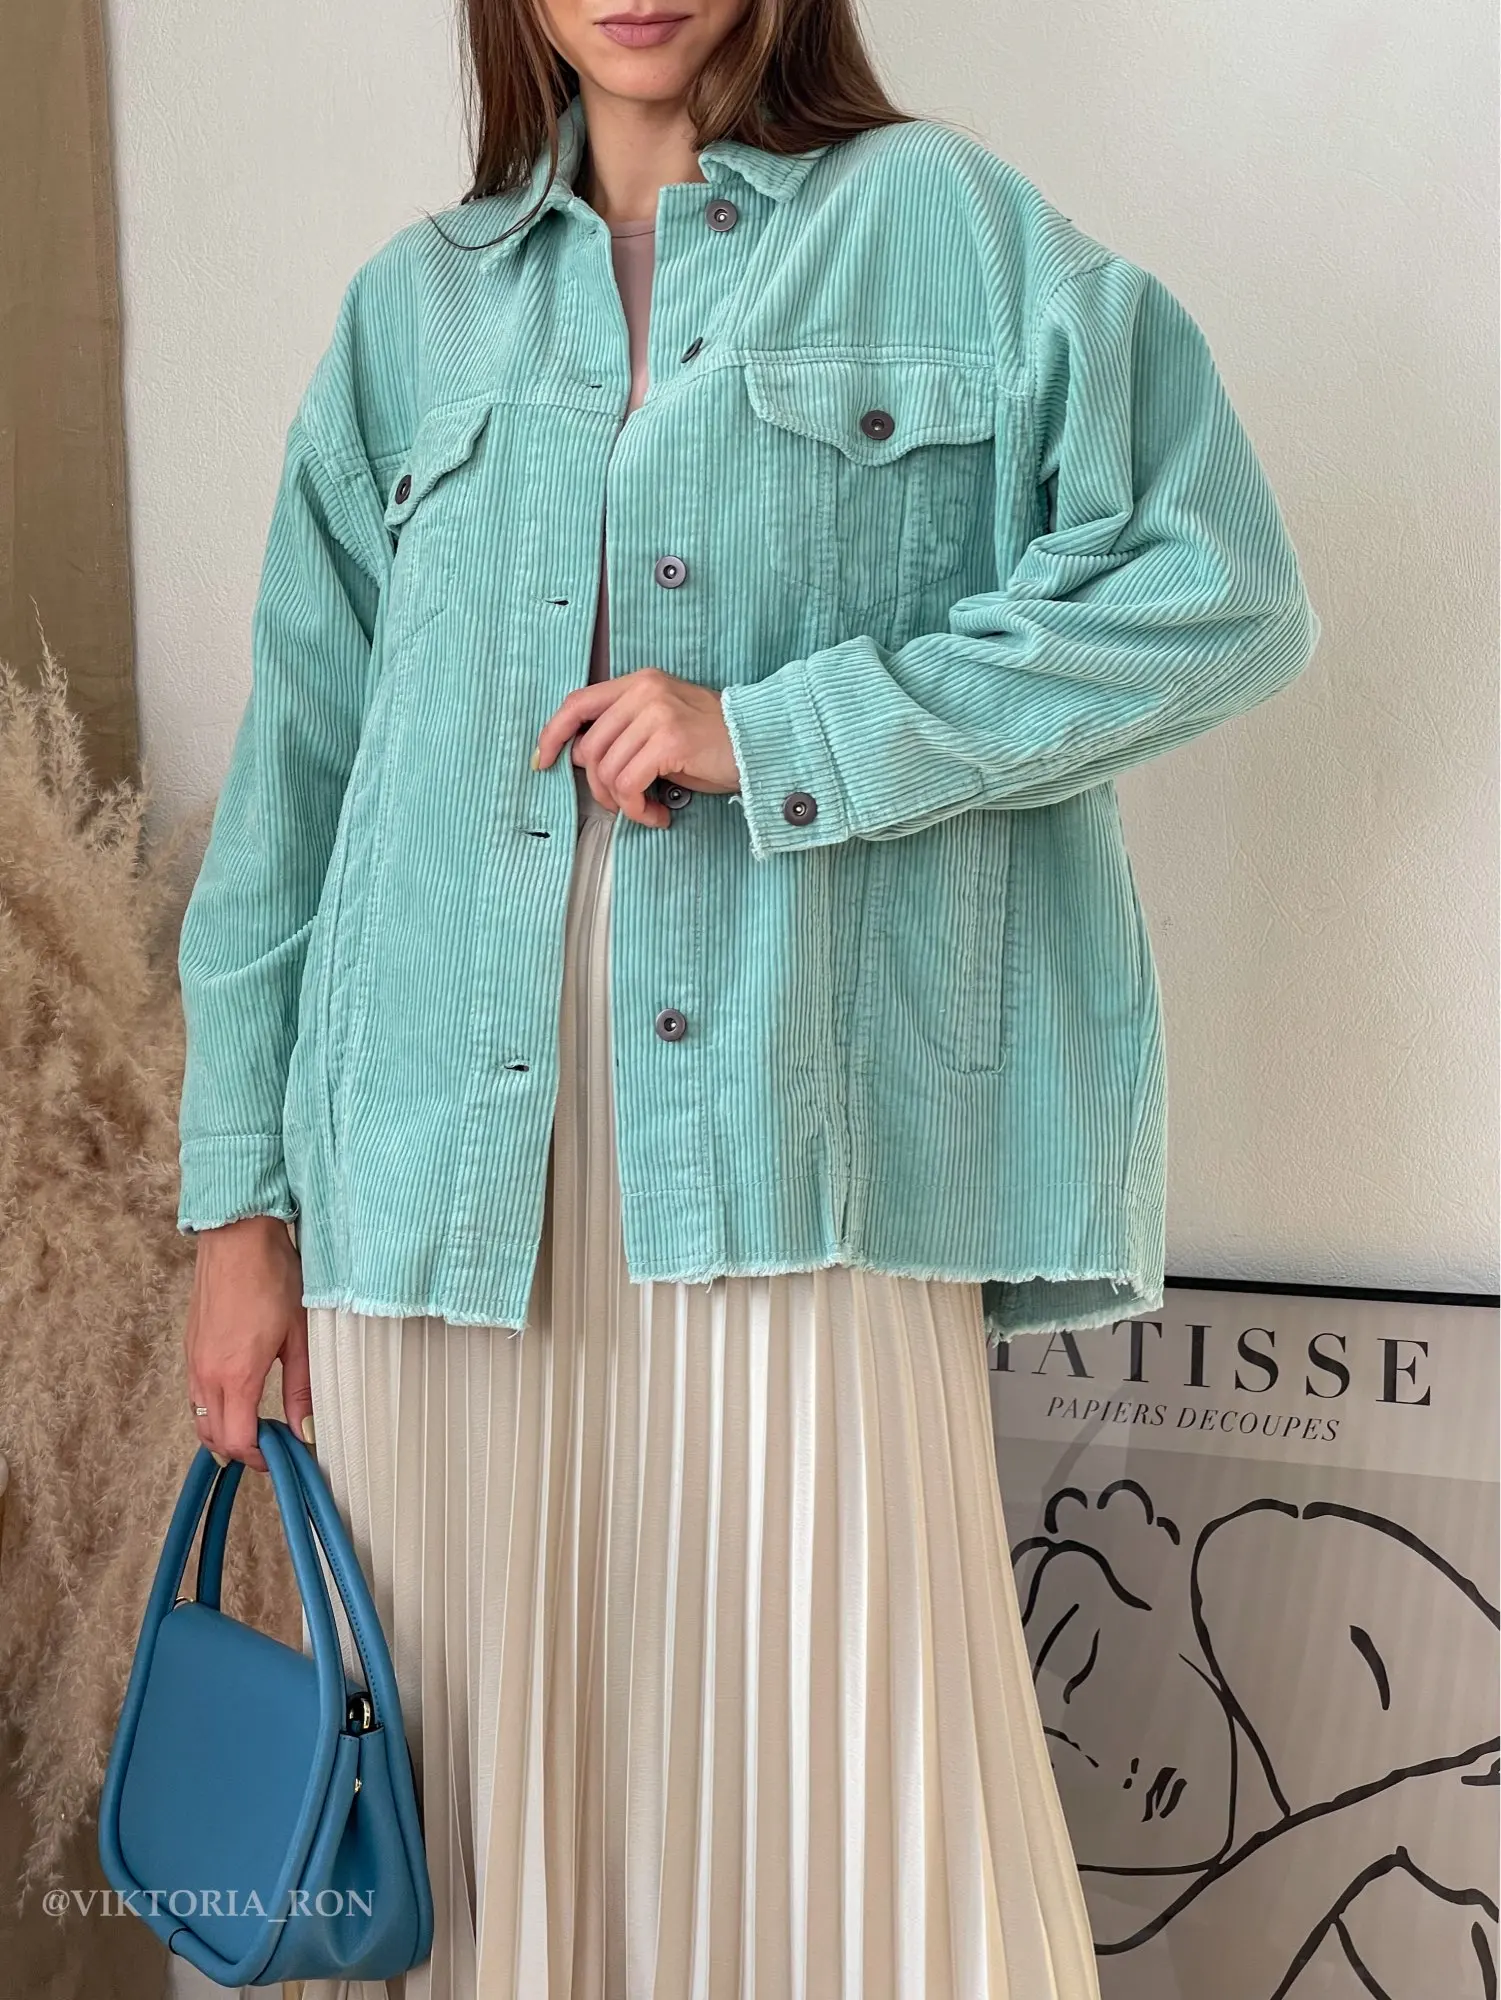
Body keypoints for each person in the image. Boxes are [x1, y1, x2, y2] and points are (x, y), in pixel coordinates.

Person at [174, 0, 1321, 1993]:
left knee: (850, 1772)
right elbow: (298, 778)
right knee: (476, 1780)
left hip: (798, 1140)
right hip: (434, 1186)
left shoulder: (944, 228)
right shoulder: (409, 315)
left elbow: (1216, 587)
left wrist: (787, 731)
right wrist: (233, 1214)